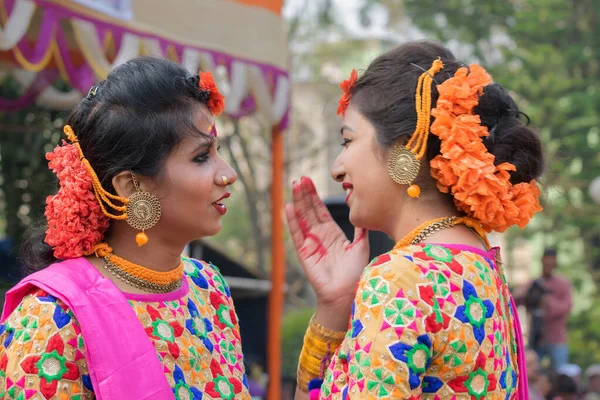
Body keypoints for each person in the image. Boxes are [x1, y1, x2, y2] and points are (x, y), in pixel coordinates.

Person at [287, 40, 545, 399]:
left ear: (405, 150)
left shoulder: (402, 277)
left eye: (348, 141)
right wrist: (334, 307)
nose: (337, 168)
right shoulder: (480, 264)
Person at [0, 57, 250, 399]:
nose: (228, 173)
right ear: (131, 188)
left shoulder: (209, 289)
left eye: (217, 151)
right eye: (202, 157)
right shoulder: (53, 319)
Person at [517, 248, 573, 371]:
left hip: (556, 339)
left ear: (555, 264)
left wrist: (546, 300)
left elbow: (566, 307)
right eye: (546, 263)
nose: (548, 266)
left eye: (551, 264)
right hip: (535, 338)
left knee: (560, 375)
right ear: (542, 262)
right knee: (531, 373)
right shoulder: (533, 283)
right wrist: (526, 293)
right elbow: (516, 301)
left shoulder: (563, 283)